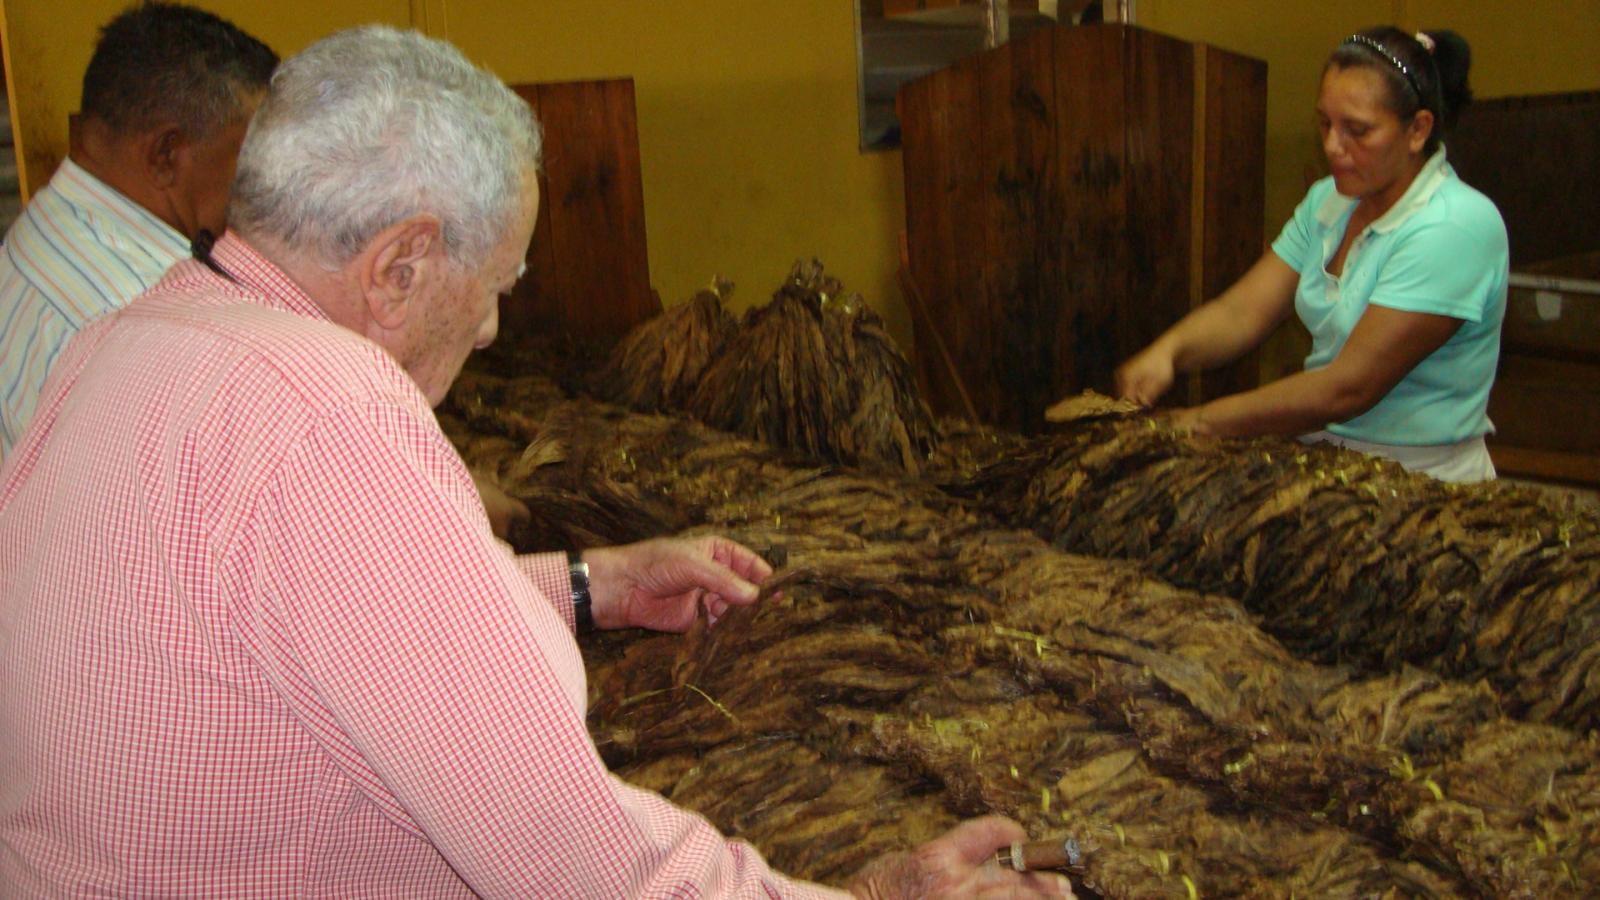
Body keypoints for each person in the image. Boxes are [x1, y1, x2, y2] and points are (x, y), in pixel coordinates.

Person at [0, 26, 1072, 900]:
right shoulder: (330, 409)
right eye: (501, 280)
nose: (494, 330)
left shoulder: (133, 339)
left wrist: (594, 585)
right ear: (401, 265)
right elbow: (577, 863)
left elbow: (307, 619)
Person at [1108, 27, 1508, 483]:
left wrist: (1202, 421)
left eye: (1357, 130)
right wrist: (1169, 352)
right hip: (1322, 462)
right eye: (1325, 124)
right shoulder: (1329, 201)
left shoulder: (1454, 226)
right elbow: (1242, 312)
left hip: (1422, 481)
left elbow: (1347, 389)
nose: (1332, 147)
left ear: (1418, 129)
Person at [0, 2, 277, 459]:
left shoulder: (44, 227)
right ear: (166, 155)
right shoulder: (142, 323)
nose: (263, 184)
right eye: (249, 159)